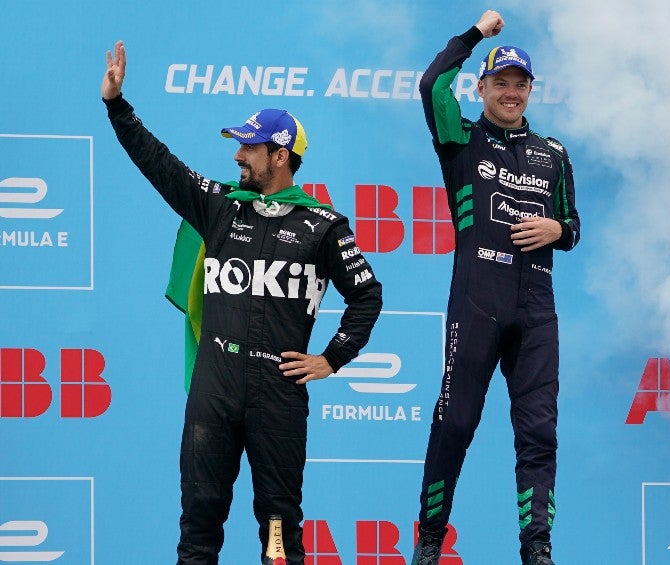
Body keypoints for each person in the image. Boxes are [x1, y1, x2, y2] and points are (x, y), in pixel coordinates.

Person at [101, 41, 383, 565]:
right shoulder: (220, 205)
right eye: (238, 144)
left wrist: (331, 358)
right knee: (198, 526)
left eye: (248, 147)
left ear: (280, 155)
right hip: (216, 384)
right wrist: (118, 106)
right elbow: (160, 165)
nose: (236, 155)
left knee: (278, 533)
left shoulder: (323, 226)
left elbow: (367, 294)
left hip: (278, 393)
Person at [410, 10, 580, 565]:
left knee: (539, 434)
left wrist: (558, 229)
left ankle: (537, 548)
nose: (511, 93)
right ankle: (430, 540)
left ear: (531, 91)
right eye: (500, 83)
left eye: (520, 84)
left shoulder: (552, 154)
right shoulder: (461, 138)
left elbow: (572, 225)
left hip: (536, 309)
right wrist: (476, 35)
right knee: (456, 420)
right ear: (482, 87)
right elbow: (432, 83)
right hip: (478, 299)